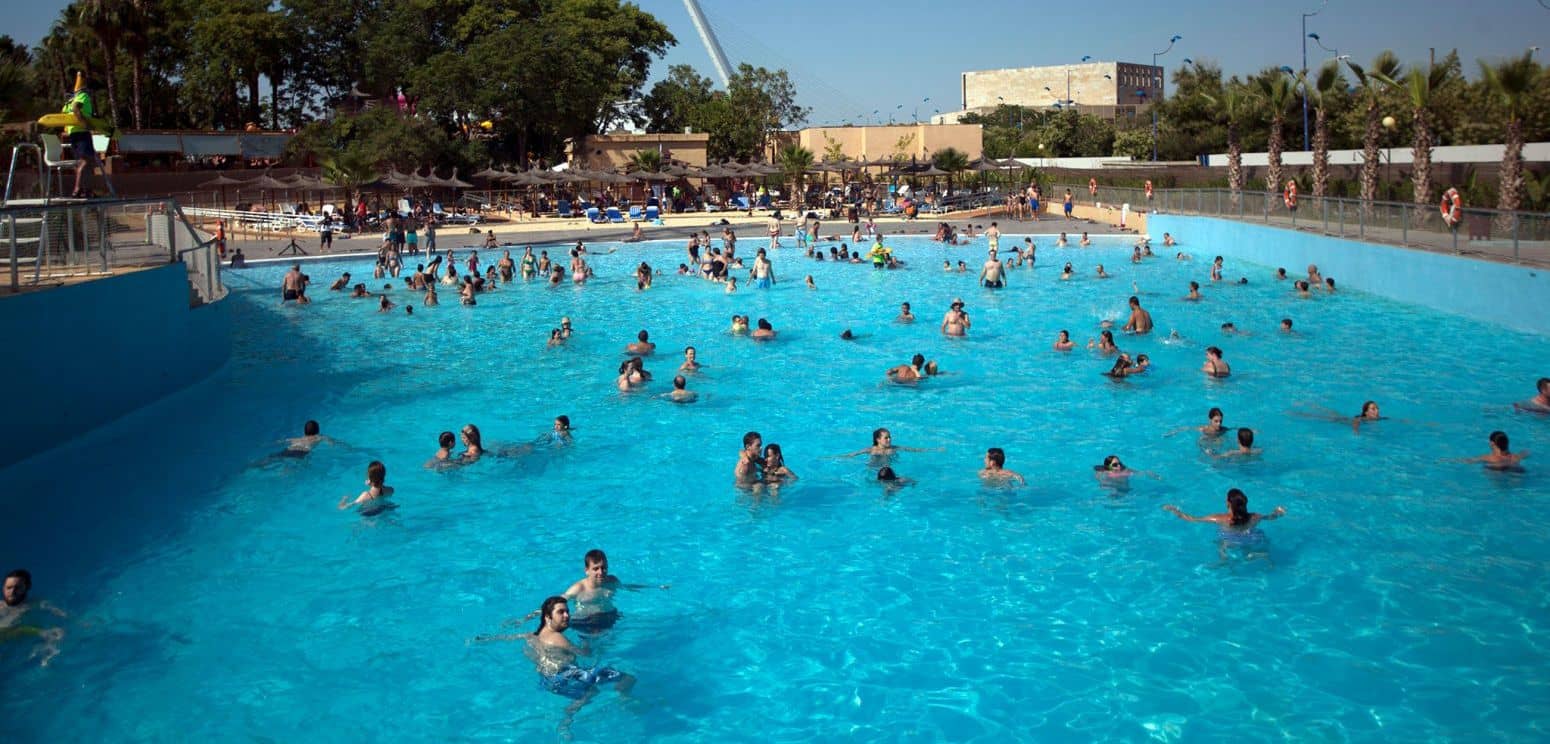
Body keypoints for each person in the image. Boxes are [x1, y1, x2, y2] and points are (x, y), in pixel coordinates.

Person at [527, 596, 634, 703]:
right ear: (547, 617)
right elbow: (586, 655)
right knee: (628, 678)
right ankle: (625, 699)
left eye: (567, 611)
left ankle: (570, 713)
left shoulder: (534, 636)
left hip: (548, 681)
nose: (566, 615)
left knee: (592, 691)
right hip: (567, 676)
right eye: (561, 612)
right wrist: (588, 640)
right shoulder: (557, 638)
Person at [1162, 489, 1286, 558]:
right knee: (1256, 541)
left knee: (1222, 545)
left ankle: (1224, 561)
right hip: (1251, 538)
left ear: (1228, 503)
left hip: (1230, 541)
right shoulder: (1255, 517)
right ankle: (1252, 554)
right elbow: (1270, 517)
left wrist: (1174, 510)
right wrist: (1278, 512)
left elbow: (1193, 519)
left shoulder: (1219, 518)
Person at [1, 569, 66, 666]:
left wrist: (81, 622)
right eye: (9, 587)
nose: (12, 591)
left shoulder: (37, 604)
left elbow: (64, 614)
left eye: (17, 587)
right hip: (11, 633)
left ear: (27, 587)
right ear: (3, 588)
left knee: (59, 633)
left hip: (12, 636)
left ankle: (46, 657)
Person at [62, 76, 112, 198]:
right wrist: (85, 123)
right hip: (81, 132)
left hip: (74, 134)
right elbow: (75, 109)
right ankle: (78, 188)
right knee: (87, 161)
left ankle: (87, 190)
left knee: (86, 162)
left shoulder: (69, 101)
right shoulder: (82, 96)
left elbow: (65, 114)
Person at [1445, 431, 1529, 471]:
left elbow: (1468, 461)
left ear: (1492, 444)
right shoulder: (1516, 457)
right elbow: (1526, 452)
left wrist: (1448, 460)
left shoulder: (1488, 458)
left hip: (1497, 472)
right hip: (1515, 469)